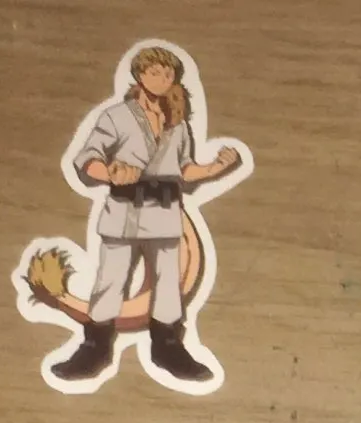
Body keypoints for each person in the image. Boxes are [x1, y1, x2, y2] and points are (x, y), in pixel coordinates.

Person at [44, 45, 244, 385]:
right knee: (110, 281)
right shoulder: (116, 117)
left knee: (168, 285)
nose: (162, 79)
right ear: (139, 75)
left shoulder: (176, 124)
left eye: (168, 74)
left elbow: (184, 170)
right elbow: (87, 159)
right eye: (155, 72)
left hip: (164, 213)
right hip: (125, 210)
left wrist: (215, 167)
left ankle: (168, 348)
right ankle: (95, 348)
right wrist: (110, 172)